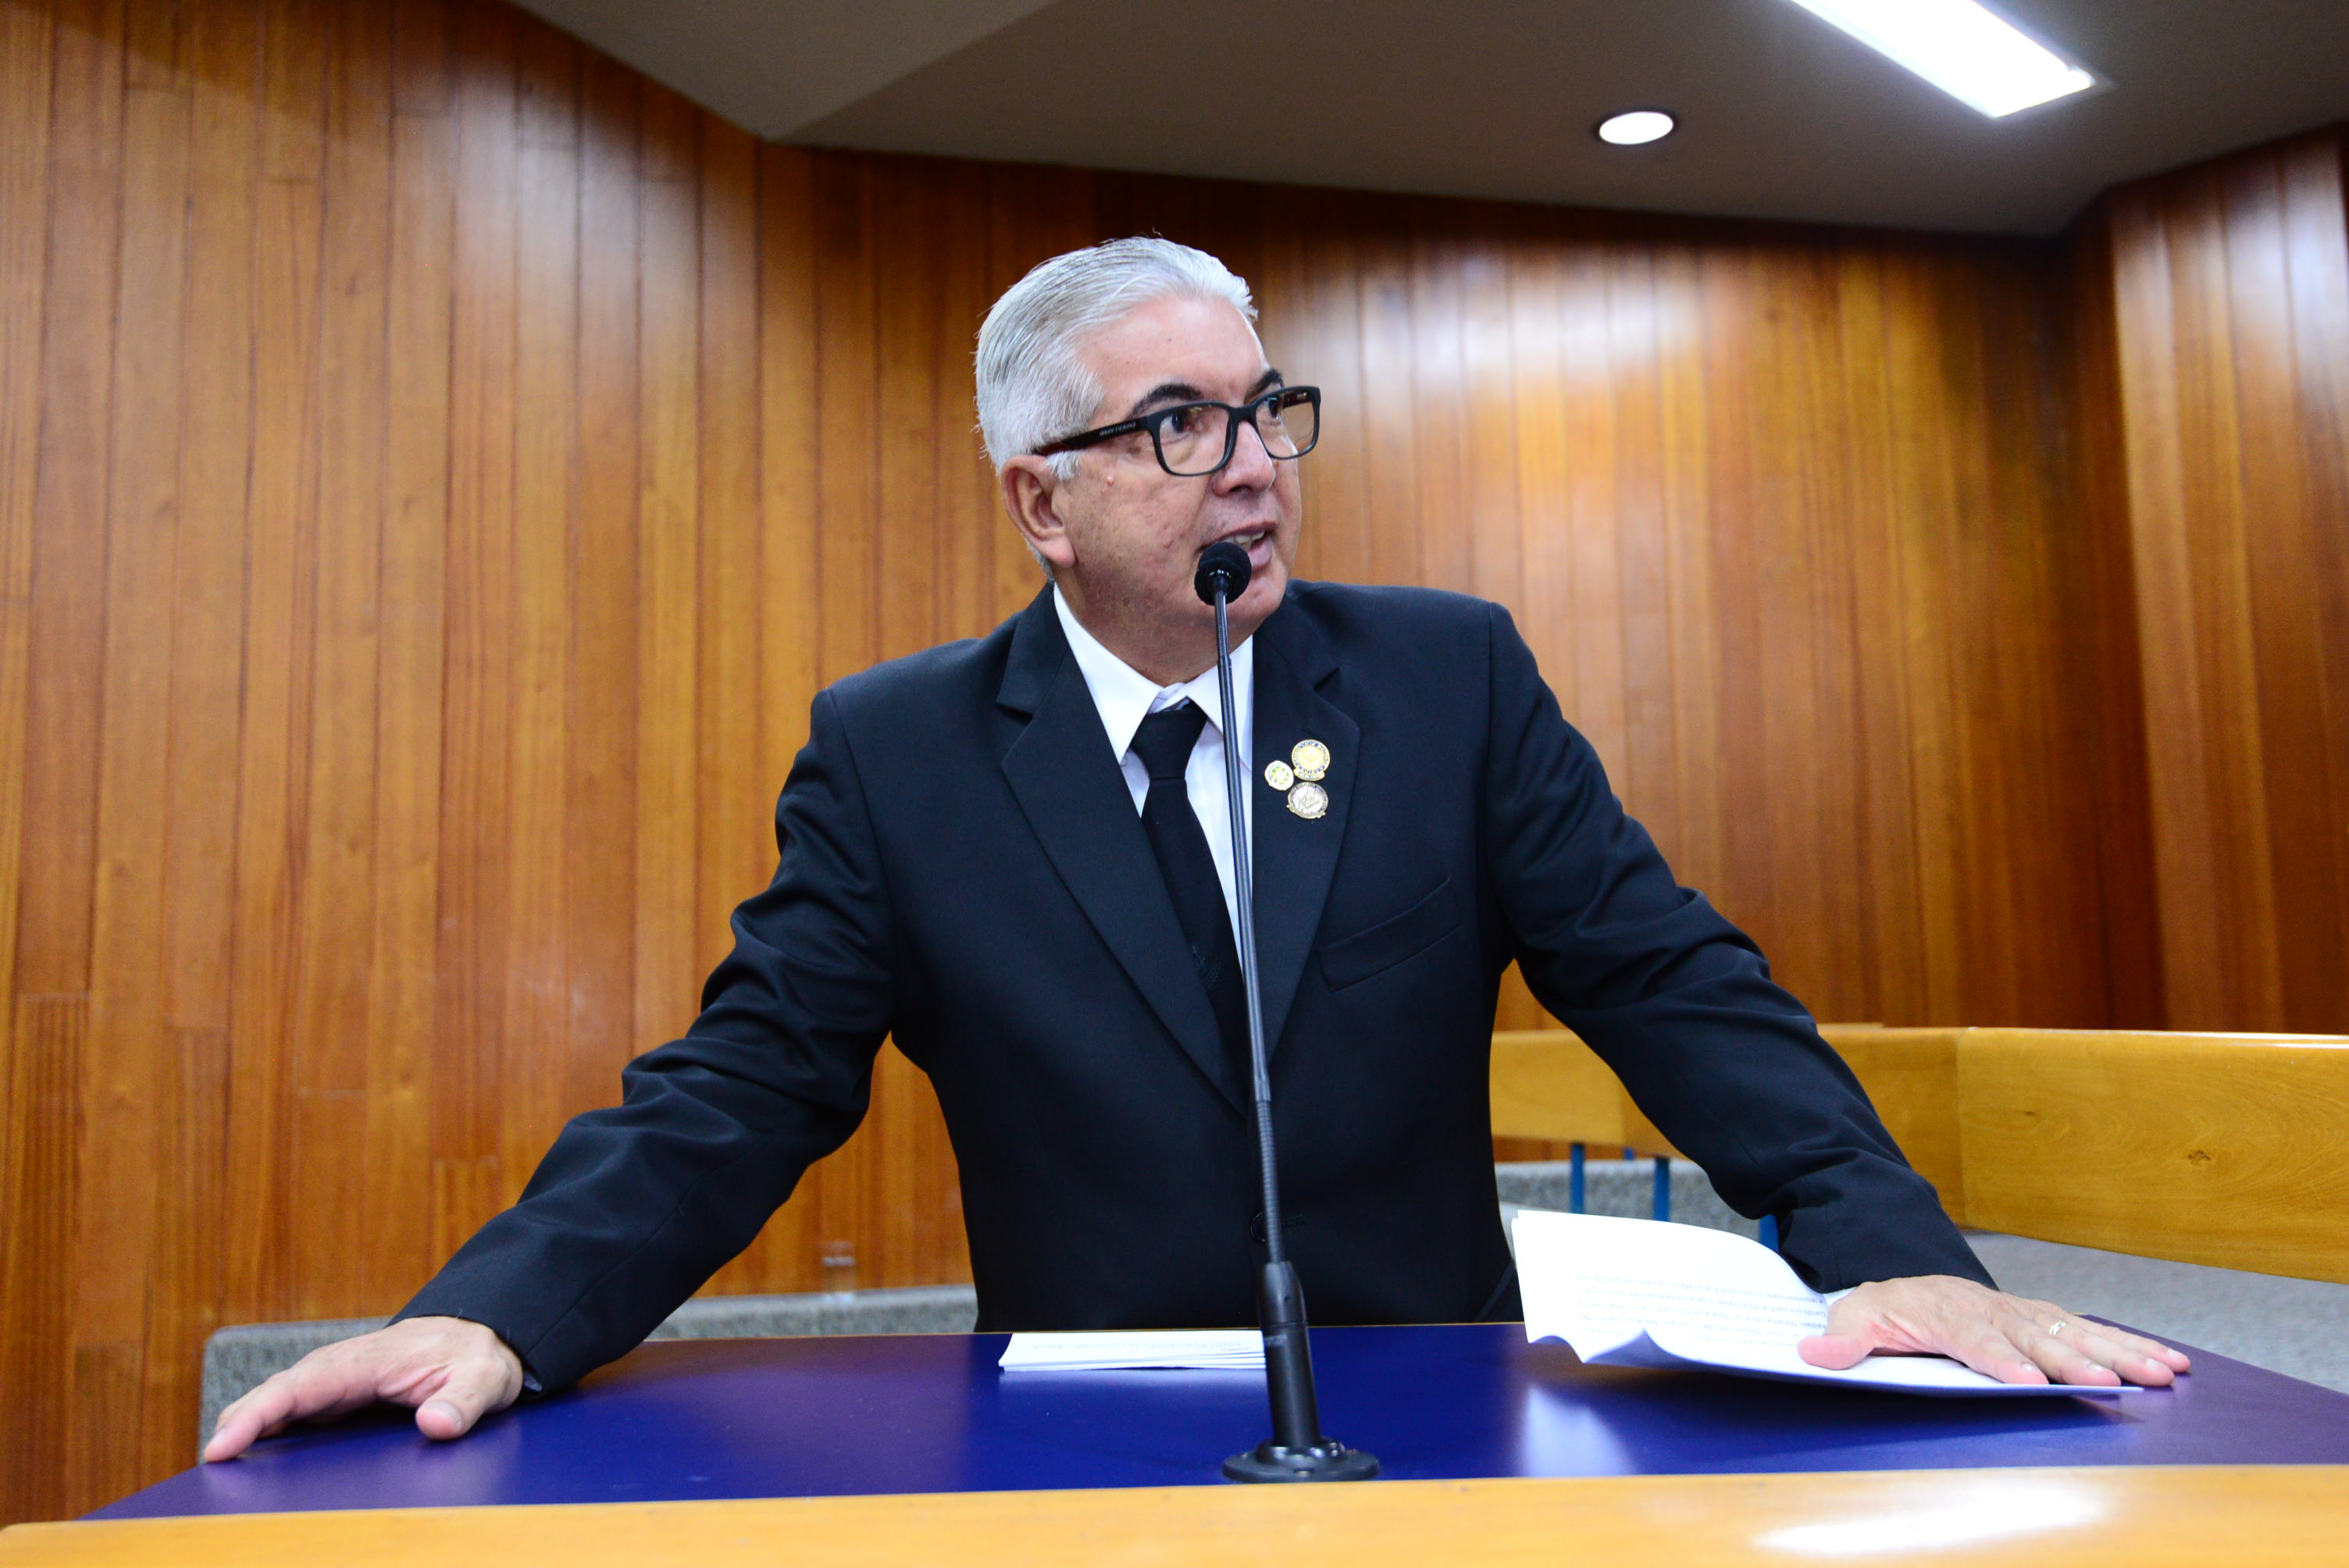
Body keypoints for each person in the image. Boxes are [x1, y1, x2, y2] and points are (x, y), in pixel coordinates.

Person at [205, 238, 2185, 1462]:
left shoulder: (1444, 678)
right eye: (1177, 425)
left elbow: (1671, 979)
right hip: (1087, 1429)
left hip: (1437, 1405)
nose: (1251, 464)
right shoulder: (898, 753)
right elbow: (743, 1081)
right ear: (1039, 501)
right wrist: (498, 1308)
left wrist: (1894, 1256)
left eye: (1265, 411)